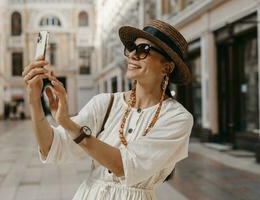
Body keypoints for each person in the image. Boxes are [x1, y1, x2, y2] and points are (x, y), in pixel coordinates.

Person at [22, 19, 194, 200]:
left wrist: (67, 122)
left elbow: (124, 166)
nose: (133, 55)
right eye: (132, 48)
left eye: (144, 50)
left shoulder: (177, 118)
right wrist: (34, 100)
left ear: (167, 66)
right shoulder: (105, 103)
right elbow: (53, 147)